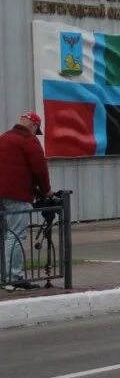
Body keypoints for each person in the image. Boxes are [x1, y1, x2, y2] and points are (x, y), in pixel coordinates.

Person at [0, 111, 51, 290]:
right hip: (17, 196)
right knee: (15, 236)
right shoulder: (28, 140)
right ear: (34, 125)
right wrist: (46, 190)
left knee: (4, 236)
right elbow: (39, 168)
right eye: (36, 130)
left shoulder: (3, 138)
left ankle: (3, 277)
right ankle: (14, 278)